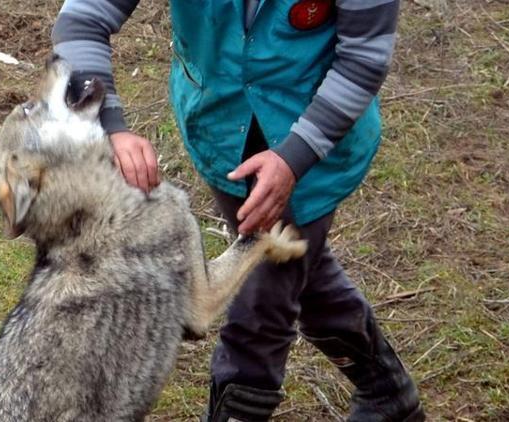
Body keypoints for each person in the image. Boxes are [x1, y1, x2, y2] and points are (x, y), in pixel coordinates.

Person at [51, 0, 425, 420]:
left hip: (316, 148)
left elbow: (362, 60)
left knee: (259, 313)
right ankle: (388, 393)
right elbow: (81, 21)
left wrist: (293, 158)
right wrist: (109, 125)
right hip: (221, 130)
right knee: (299, 271)